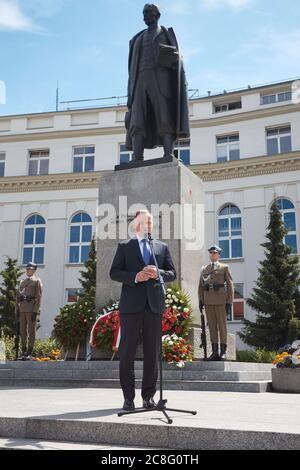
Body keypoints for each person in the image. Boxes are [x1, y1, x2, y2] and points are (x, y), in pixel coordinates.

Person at [110, 210, 176, 410]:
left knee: (152, 353)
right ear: (136, 224)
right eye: (146, 221)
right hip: (131, 307)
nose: (150, 224)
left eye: (151, 221)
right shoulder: (125, 246)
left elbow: (172, 273)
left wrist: (159, 273)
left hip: (154, 306)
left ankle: (149, 397)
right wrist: (136, 277)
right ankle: (128, 397)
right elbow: (114, 272)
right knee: (127, 353)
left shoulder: (161, 247)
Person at [125, 3, 190, 161]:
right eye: (144, 13)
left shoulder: (166, 34)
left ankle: (168, 154)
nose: (145, 15)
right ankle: (137, 156)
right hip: (139, 80)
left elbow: (178, 58)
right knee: (137, 119)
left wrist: (174, 58)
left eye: (148, 12)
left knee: (164, 116)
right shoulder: (137, 39)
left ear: (157, 15)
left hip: (160, 80)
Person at [198, 246, 234, 361]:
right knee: (212, 327)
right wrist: (200, 300)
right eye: (211, 253)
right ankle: (214, 352)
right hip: (208, 301)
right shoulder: (204, 269)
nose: (212, 254)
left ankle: (223, 352)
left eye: (215, 253)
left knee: (222, 327)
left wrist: (229, 302)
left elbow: (230, 285)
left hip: (220, 301)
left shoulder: (224, 267)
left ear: (219, 255)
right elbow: (201, 286)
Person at [16, 262, 43, 360]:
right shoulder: (22, 282)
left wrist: (36, 311)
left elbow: (39, 297)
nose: (28, 270)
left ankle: (29, 353)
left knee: (31, 331)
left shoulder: (36, 281)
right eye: (27, 269)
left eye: (30, 269)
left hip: (31, 309)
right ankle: (23, 351)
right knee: (22, 331)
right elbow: (18, 296)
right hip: (22, 309)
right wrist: (17, 309)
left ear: (34, 270)